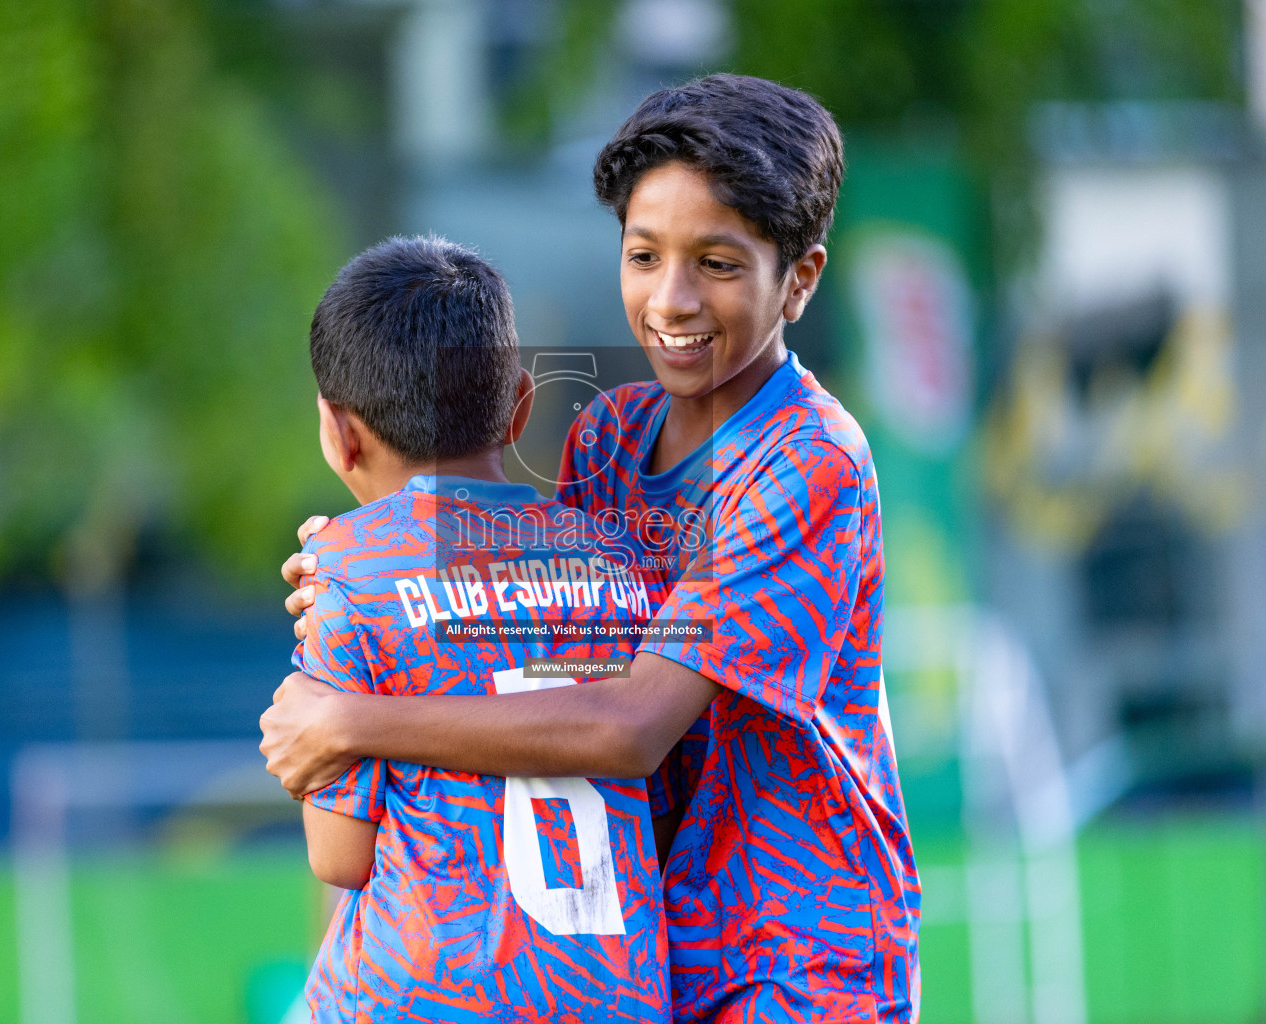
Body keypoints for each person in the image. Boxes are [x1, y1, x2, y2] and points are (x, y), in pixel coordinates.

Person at [265, 75, 920, 1023]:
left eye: (719, 264)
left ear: (801, 280)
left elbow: (627, 726)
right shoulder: (609, 434)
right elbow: (540, 635)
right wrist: (362, 566)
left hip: (798, 964)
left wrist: (348, 720)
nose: (672, 298)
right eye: (644, 254)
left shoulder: (810, 460)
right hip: (642, 957)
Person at [274, 235, 671, 1023]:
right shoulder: (625, 559)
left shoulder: (343, 572)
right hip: (617, 998)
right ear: (520, 406)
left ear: (337, 429)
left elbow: (339, 857)